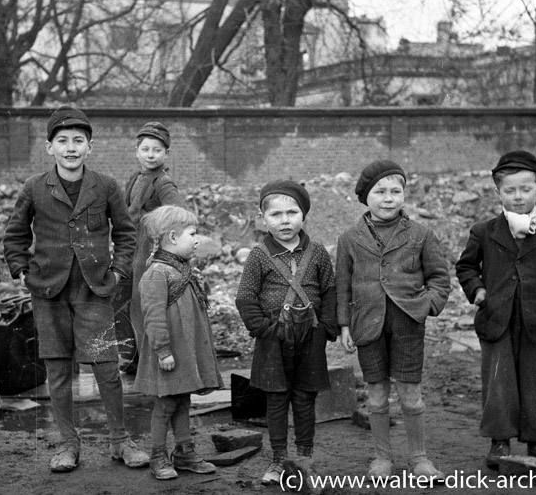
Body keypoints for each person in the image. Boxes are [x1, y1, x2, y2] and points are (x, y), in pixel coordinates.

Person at [3, 106, 148, 473]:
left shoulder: (106, 186)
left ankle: (120, 441)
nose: (71, 148)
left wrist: (116, 273)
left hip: (94, 292)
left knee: (106, 367)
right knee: (58, 370)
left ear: (90, 147)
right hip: (48, 293)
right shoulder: (35, 187)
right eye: (63, 141)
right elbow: (15, 234)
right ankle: (68, 444)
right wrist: (21, 269)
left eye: (78, 141)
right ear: (50, 148)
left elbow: (126, 234)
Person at [455, 150, 536, 468]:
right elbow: (466, 268)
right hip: (496, 319)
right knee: (499, 382)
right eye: (509, 190)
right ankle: (499, 442)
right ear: (498, 193)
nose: (518, 196)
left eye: (525, 189)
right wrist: (478, 291)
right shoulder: (483, 232)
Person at [335, 160, 451, 481]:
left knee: (411, 395)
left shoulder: (421, 235)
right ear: (364, 197)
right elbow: (342, 286)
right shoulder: (349, 239)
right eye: (380, 192)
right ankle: (382, 458)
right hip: (367, 325)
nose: (388, 198)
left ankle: (420, 459)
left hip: (408, 324)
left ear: (404, 195)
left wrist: (427, 305)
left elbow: (440, 278)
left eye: (396, 191)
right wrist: (344, 325)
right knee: (375, 394)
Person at [235, 180, 339, 485]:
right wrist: (265, 330)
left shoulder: (317, 252)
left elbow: (330, 290)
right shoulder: (258, 256)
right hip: (273, 341)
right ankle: (279, 460)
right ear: (263, 218)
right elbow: (245, 298)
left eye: (292, 212)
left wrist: (328, 328)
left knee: (305, 398)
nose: (284, 220)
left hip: (311, 338)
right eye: (276, 214)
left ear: (303, 215)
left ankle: (305, 458)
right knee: (277, 400)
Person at [133, 205, 223, 480]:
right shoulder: (157, 273)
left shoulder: (180, 267)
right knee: (166, 405)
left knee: (182, 401)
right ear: (172, 237)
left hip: (183, 351)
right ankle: (158, 456)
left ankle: (184, 452)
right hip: (168, 353)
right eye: (192, 234)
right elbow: (153, 316)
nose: (197, 240)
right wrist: (163, 351)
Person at [115, 122, 184, 373]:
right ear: (137, 151)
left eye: (157, 150)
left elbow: (178, 215)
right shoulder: (135, 178)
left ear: (166, 154)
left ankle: (150, 359)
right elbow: (124, 210)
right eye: (145, 149)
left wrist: (154, 225)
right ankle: (133, 357)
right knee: (122, 302)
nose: (151, 154)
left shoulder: (164, 182)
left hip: (149, 250)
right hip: (130, 248)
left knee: (144, 303)